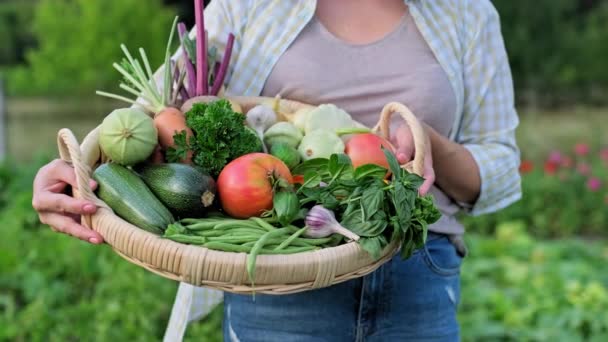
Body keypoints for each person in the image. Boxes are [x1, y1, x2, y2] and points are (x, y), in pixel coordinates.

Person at [32, 0, 521, 340]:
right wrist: (76, 166)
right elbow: (149, 115)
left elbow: (500, 162)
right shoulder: (250, 7)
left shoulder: (466, 13)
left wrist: (429, 143)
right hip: (276, 272)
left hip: (416, 264)